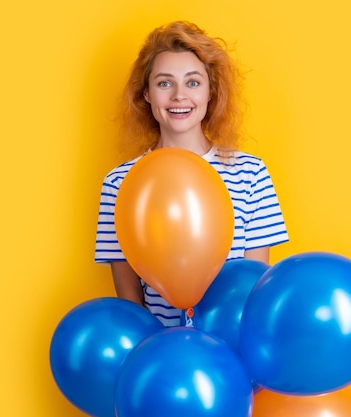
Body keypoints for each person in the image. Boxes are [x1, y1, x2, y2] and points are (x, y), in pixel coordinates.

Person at [94, 21, 289, 327]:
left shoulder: (250, 174)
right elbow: (130, 307)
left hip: (232, 363)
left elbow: (252, 293)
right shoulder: (119, 184)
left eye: (193, 82)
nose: (179, 96)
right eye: (164, 83)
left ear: (211, 91)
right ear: (146, 93)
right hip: (161, 363)